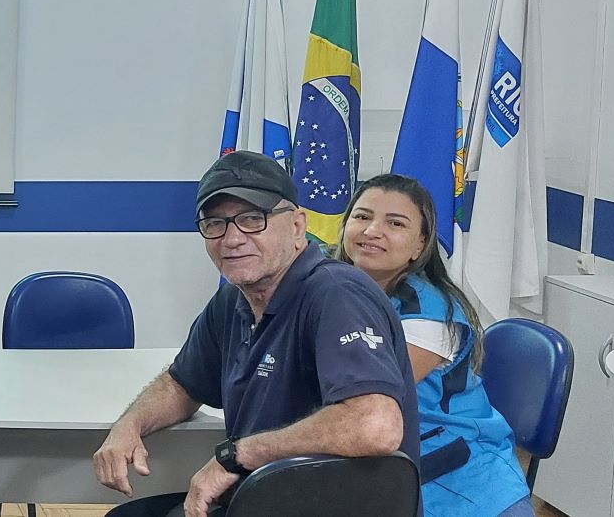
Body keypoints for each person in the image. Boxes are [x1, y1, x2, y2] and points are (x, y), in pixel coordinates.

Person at [93, 150, 419, 517]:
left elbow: (375, 424)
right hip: (264, 499)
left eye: (253, 219)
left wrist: (236, 456)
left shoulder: (336, 293)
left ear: (297, 226)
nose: (232, 239)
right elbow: (182, 384)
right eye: (215, 223)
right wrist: (129, 425)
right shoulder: (233, 299)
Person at [337, 174, 533, 517]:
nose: (371, 231)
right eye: (362, 216)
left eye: (395, 223)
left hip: (460, 475)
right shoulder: (332, 288)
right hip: (376, 466)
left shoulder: (431, 312)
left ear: (419, 245)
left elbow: (366, 399)